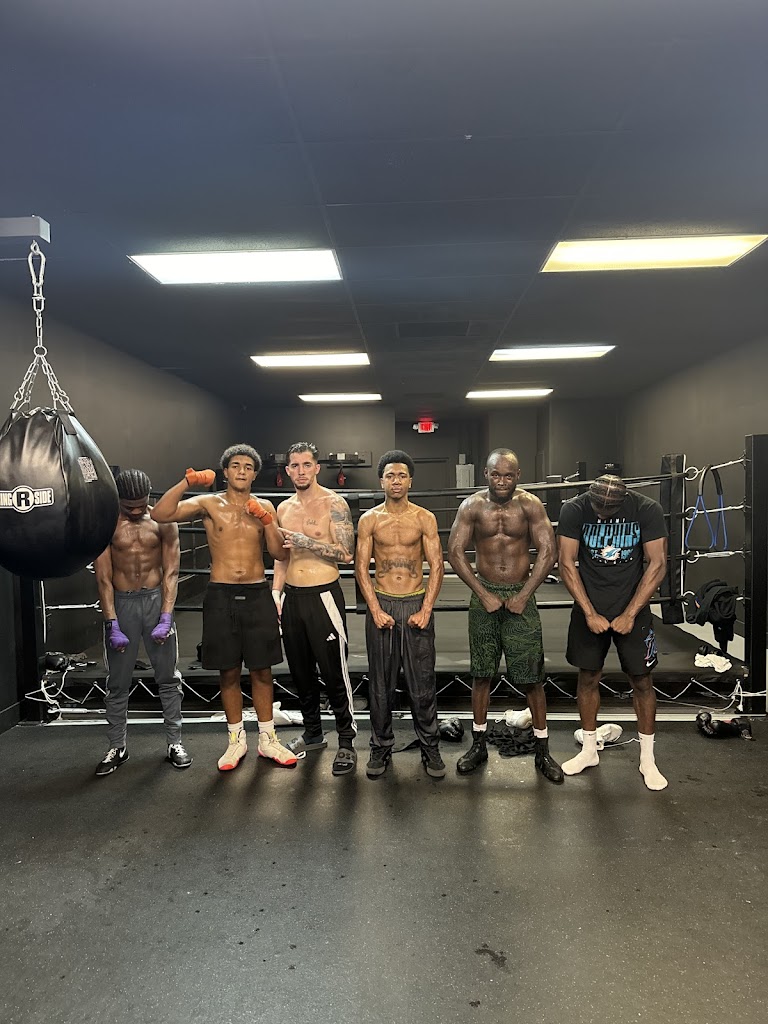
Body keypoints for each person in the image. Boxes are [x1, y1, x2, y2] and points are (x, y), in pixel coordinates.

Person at [151, 445, 297, 771]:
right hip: (221, 594)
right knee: (228, 670)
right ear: (226, 471)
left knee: (262, 670)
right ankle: (235, 741)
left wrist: (267, 521)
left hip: (257, 593)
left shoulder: (265, 506)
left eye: (248, 466)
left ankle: (268, 740)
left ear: (254, 474)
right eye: (235, 465)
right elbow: (160, 514)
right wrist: (186, 483)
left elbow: (280, 554)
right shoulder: (208, 503)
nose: (242, 471)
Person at [448, 448, 563, 783]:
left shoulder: (530, 505)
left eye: (508, 475)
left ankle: (542, 750)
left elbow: (549, 551)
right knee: (481, 674)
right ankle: (478, 745)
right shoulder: (472, 506)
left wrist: (523, 594)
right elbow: (455, 551)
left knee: (532, 678)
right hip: (483, 595)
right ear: (486, 473)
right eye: (496, 474)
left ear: (518, 475)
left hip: (520, 596)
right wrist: (483, 593)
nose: (501, 481)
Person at [556, 474, 668, 790]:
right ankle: (589, 750)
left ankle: (648, 759)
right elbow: (566, 562)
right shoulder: (574, 509)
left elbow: (657, 563)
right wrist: (589, 612)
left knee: (642, 681)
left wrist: (630, 613)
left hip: (633, 607)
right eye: (598, 509)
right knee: (588, 677)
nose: (602, 514)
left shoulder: (647, 509)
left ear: (622, 501)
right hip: (589, 608)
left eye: (609, 511)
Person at [93, 469, 192, 776]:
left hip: (155, 602)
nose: (136, 511)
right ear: (119, 500)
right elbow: (104, 579)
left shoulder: (163, 521)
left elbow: (172, 572)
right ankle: (117, 747)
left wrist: (166, 615)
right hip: (122, 604)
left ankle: (175, 742)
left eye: (140, 505)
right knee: (117, 682)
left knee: (168, 678)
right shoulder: (106, 524)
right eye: (129, 506)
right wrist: (112, 623)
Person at [355, 450, 446, 779]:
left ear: (410, 481)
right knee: (380, 684)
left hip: (415, 604)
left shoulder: (424, 518)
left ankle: (430, 746)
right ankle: (380, 746)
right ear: (381, 481)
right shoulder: (369, 520)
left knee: (423, 683)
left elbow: (437, 564)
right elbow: (361, 568)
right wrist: (375, 609)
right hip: (383, 604)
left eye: (402, 476)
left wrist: (426, 609)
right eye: (390, 476)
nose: (396, 481)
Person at [273, 442, 357, 776]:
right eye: (295, 466)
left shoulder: (334, 503)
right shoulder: (283, 508)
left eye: (307, 464)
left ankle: (347, 740)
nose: (301, 471)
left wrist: (305, 541)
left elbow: (346, 553)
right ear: (287, 471)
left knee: (334, 672)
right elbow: (282, 557)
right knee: (301, 672)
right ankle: (312, 733)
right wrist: (276, 593)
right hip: (292, 598)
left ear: (317, 467)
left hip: (323, 596)